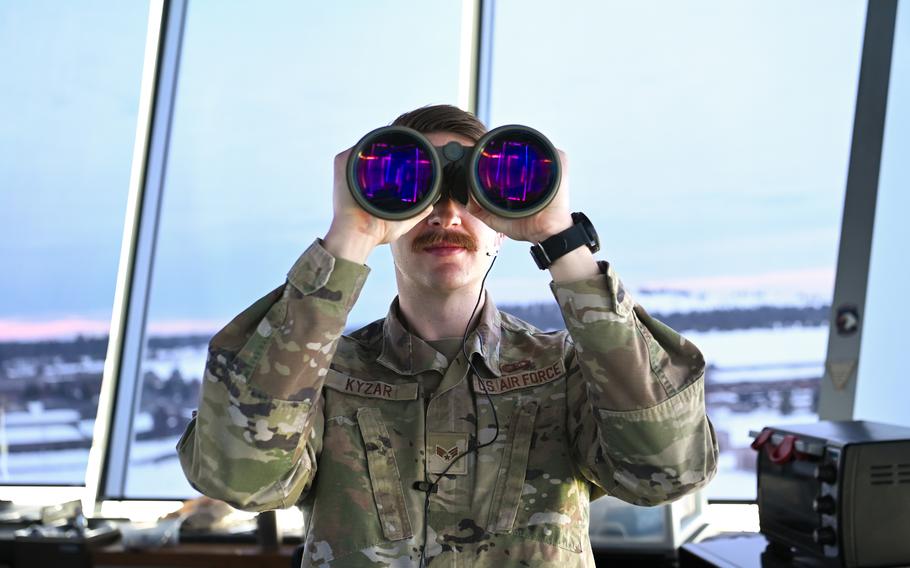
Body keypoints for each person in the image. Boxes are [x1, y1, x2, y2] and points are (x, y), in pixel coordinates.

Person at [178, 104, 718, 567]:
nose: (446, 213)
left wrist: (560, 238)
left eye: (473, 194)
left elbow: (667, 471)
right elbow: (238, 476)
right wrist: (350, 232)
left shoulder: (567, 370)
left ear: (504, 228)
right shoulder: (323, 378)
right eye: (414, 189)